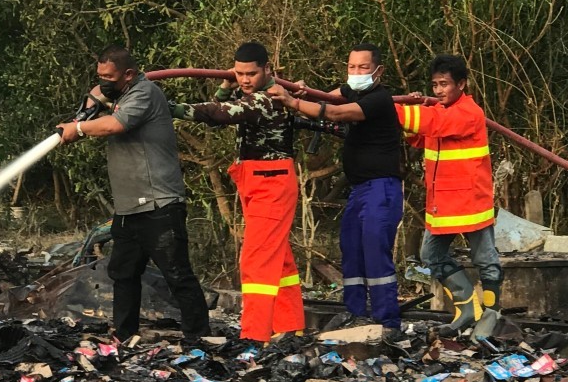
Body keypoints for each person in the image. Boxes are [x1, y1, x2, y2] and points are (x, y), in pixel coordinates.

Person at [56, 48, 211, 343]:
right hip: (129, 208)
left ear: (128, 75)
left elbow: (116, 125)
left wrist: (78, 127)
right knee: (123, 273)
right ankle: (125, 335)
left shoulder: (145, 92)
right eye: (100, 76)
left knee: (177, 274)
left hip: (158, 204)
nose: (104, 83)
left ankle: (200, 338)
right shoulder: (122, 94)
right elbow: (95, 95)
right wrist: (89, 105)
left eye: (109, 77)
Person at [169, 40, 304, 343]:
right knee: (278, 257)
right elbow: (222, 112)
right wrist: (225, 87)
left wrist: (166, 107)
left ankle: (254, 337)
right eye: (239, 73)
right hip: (256, 180)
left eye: (251, 74)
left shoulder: (267, 100)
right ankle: (291, 325)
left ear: (267, 70)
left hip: (271, 182)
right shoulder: (253, 94)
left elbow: (218, 114)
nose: (245, 80)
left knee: (256, 261)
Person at [267, 45, 404, 333]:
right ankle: (355, 314)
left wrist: (292, 101)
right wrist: (304, 91)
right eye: (351, 67)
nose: (355, 73)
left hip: (381, 188)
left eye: (362, 68)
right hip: (359, 189)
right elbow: (328, 98)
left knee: (375, 253)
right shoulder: (353, 91)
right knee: (352, 249)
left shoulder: (379, 99)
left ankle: (386, 322)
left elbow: (337, 113)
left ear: (378, 71)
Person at [394, 53, 501, 335]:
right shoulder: (439, 112)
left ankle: (491, 316)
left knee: (485, 260)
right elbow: (419, 134)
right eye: (435, 85)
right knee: (431, 256)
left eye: (444, 84)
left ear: (461, 84)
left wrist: (390, 108)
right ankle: (467, 308)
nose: (439, 90)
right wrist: (410, 107)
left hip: (470, 202)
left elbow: (433, 124)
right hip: (442, 202)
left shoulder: (469, 112)